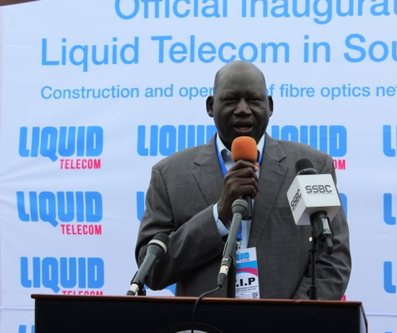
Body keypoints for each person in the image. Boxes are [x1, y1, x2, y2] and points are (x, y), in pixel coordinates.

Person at [135, 61, 351, 299]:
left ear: (269, 106)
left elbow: (333, 258)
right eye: (230, 100)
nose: (243, 109)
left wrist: (293, 319)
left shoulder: (310, 166)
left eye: (254, 100)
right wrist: (218, 214)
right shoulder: (169, 175)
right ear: (210, 106)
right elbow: (151, 270)